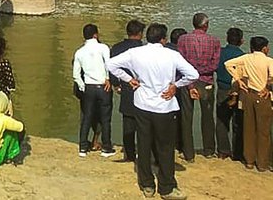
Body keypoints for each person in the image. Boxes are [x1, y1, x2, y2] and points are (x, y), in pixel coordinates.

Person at [107, 23, 198, 200]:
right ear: (163, 39)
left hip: (142, 105)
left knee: (144, 144)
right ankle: (167, 187)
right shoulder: (172, 54)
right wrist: (175, 86)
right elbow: (193, 74)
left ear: (147, 37)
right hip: (164, 106)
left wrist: (128, 79)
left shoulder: (135, 53)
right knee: (165, 147)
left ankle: (147, 185)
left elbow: (111, 64)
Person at [224, 36, 273, 172]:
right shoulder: (269, 61)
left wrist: (238, 80)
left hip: (249, 95)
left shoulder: (246, 58)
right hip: (262, 96)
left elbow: (228, 64)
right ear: (264, 48)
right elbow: (272, 77)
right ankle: (262, 163)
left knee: (249, 128)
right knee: (263, 131)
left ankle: (249, 161)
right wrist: (267, 88)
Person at [176, 12, 220, 161]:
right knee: (207, 117)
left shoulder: (183, 39)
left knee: (186, 117)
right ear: (206, 25)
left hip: (188, 82)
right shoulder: (214, 41)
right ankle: (209, 150)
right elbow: (215, 65)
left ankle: (188, 153)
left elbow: (180, 63)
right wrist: (200, 70)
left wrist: (192, 73)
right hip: (206, 81)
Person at [73, 23, 115, 158]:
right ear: (96, 34)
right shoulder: (103, 48)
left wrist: (82, 86)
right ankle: (106, 148)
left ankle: (83, 147)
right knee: (105, 118)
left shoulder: (79, 52)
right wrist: (108, 79)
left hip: (88, 87)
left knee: (86, 117)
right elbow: (108, 64)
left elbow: (76, 75)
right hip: (103, 86)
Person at [110, 19, 145, 162]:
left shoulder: (117, 47)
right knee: (143, 125)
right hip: (142, 89)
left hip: (126, 88)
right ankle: (143, 152)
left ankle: (129, 154)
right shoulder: (143, 49)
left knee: (128, 123)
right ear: (140, 34)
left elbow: (111, 68)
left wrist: (116, 84)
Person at [215, 27, 244, 160]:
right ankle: (237, 153)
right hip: (238, 91)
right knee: (238, 122)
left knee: (222, 121)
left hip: (222, 88)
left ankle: (222, 151)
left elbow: (215, 68)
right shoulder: (243, 56)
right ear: (241, 41)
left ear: (227, 39)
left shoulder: (219, 53)